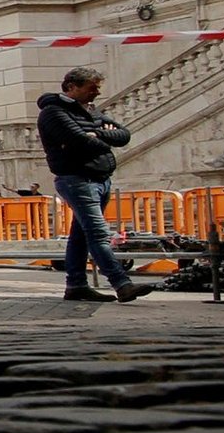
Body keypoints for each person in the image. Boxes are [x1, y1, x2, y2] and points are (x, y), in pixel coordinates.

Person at [38, 67, 148, 305]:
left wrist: (96, 135)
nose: (97, 93)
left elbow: (124, 134)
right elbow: (78, 141)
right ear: (72, 87)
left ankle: (76, 285)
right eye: (92, 88)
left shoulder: (89, 111)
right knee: (98, 233)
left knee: (80, 235)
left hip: (101, 178)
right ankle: (122, 284)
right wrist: (99, 137)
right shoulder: (53, 113)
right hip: (77, 179)